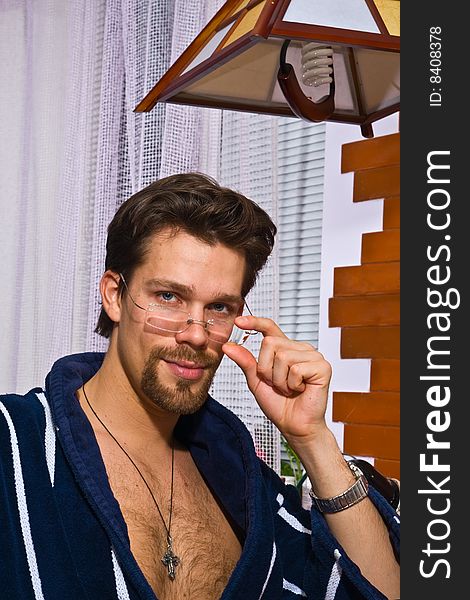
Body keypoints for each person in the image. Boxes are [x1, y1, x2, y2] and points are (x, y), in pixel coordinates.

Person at [0, 173, 400, 600]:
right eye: (169, 297)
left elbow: (381, 591)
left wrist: (312, 438)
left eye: (219, 307)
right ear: (115, 296)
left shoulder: (239, 478)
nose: (196, 334)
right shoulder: (14, 442)